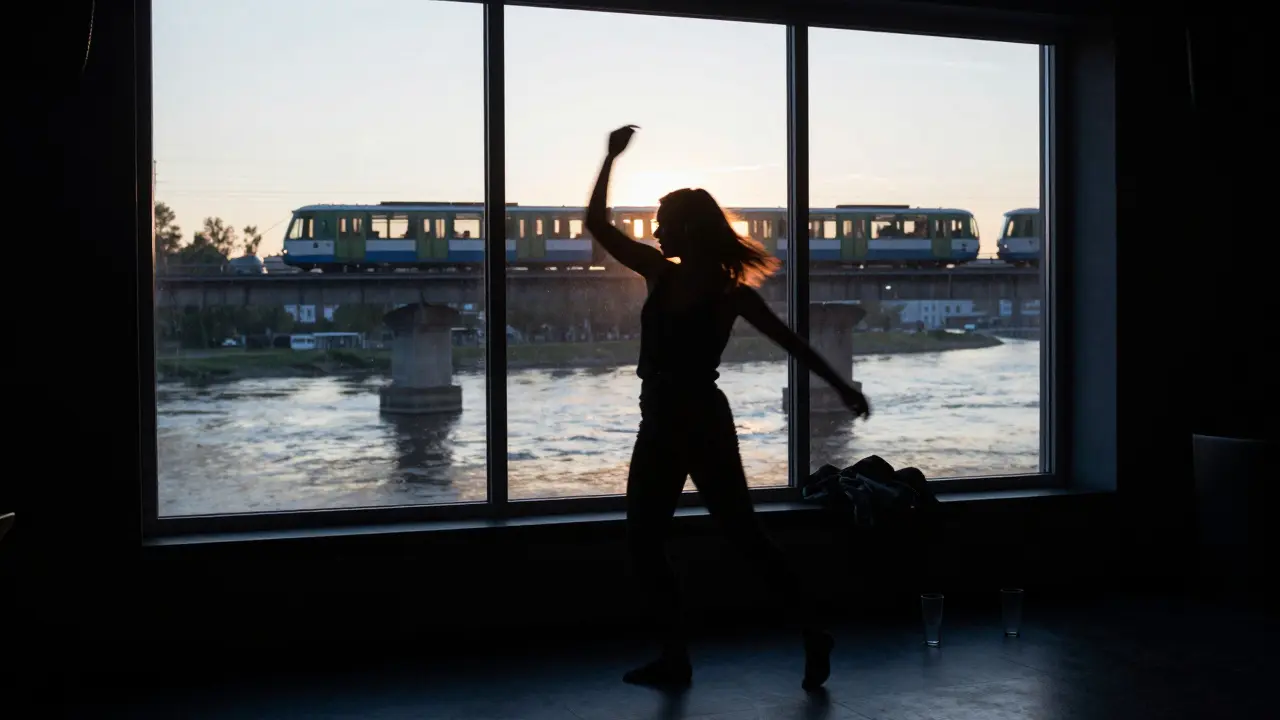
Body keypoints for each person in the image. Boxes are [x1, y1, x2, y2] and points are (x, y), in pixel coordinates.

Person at [585, 125, 871, 692]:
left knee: (659, 540)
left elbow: (791, 343)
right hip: (685, 420)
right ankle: (801, 633)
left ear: (689, 229)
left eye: (664, 222)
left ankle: (684, 658)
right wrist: (841, 387)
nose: (657, 231)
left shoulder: (680, 280)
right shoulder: (709, 287)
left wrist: (610, 158)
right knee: (733, 538)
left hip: (677, 420)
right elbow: (793, 344)